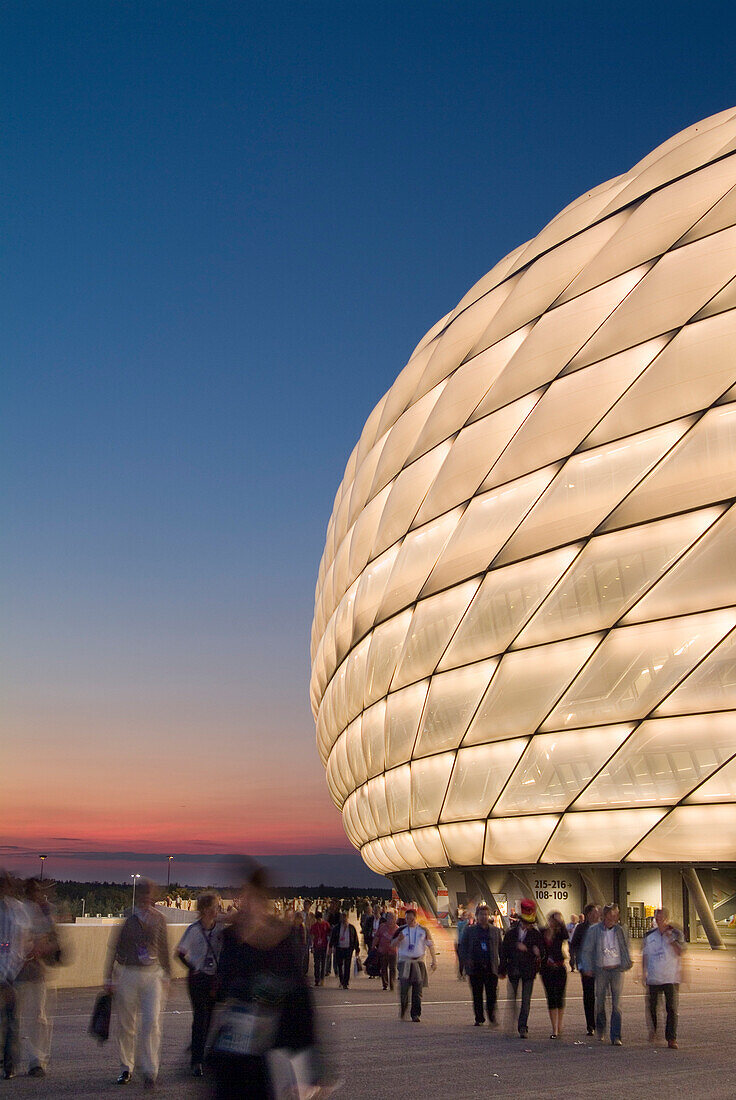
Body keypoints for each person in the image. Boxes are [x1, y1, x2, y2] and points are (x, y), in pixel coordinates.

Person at [211, 864, 325, 1099]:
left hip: (267, 1052)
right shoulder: (233, 939)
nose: (247, 904)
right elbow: (223, 988)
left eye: (253, 898)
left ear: (263, 900)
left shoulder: (282, 942)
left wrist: (310, 1066)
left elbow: (301, 1003)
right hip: (233, 1050)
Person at [104, 879, 171, 1087]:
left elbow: (164, 948)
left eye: (149, 892)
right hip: (128, 973)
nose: (145, 896)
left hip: (152, 974)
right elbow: (114, 948)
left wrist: (168, 975)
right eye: (142, 892)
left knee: (152, 1022)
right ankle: (126, 1068)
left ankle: (150, 1069)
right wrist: (108, 976)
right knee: (126, 1024)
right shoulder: (128, 917)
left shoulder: (160, 919)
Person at [175, 891, 223, 1077]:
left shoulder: (219, 930)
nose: (216, 912)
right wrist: (192, 967)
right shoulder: (194, 930)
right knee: (201, 1017)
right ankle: (196, 1060)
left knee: (210, 1018)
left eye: (217, 908)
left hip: (213, 978)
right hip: (198, 978)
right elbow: (180, 952)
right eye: (213, 908)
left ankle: (199, 1049)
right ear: (204, 910)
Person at [16, 878, 61, 1078]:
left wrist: (40, 950)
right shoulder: (17, 910)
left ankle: (37, 1060)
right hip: (15, 970)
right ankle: (11, 1059)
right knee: (13, 1017)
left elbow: (54, 941)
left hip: (36, 971)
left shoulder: (46, 911)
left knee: (38, 1017)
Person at [578, 903, 632, 1046]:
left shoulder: (621, 930)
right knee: (600, 1001)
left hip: (617, 970)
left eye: (616, 914)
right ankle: (601, 1028)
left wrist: (627, 962)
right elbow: (587, 949)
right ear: (605, 915)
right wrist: (587, 966)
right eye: (612, 914)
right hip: (601, 969)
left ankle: (616, 1036)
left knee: (617, 1004)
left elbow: (626, 947)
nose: (614, 917)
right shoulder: (594, 930)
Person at [0, 872, 30, 1080]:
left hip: (10, 975)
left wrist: (7, 976)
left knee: (11, 1021)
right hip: (8, 975)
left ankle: (9, 1064)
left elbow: (18, 947)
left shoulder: (18, 911)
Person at [641, 907, 685, 1049]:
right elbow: (645, 954)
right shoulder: (649, 935)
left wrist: (670, 939)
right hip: (654, 976)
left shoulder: (676, 933)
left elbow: (680, 952)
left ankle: (671, 1038)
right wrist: (643, 972)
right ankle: (653, 1030)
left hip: (670, 977)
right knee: (652, 1006)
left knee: (671, 1008)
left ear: (666, 918)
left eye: (661, 918)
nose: (659, 920)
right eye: (656, 918)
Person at [499, 898, 543, 1038]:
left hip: (528, 971)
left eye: (531, 924)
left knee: (526, 1000)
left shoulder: (536, 935)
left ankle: (522, 1026)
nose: (529, 926)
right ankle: (511, 1022)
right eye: (527, 923)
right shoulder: (511, 934)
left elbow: (542, 952)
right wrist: (502, 969)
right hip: (513, 969)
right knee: (512, 998)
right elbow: (503, 952)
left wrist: (532, 951)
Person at [458, 904, 501, 1027]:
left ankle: (492, 1016)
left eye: (486, 914)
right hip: (475, 967)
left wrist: (503, 966)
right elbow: (463, 948)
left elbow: (501, 949)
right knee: (477, 994)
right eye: (481, 914)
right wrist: (465, 964)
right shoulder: (469, 930)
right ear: (477, 916)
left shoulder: (495, 931)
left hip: (490, 967)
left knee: (492, 994)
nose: (484, 917)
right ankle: (479, 1017)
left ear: (489, 916)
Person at [393, 908, 437, 1022]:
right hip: (405, 962)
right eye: (407, 918)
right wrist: (398, 939)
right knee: (404, 988)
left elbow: (430, 945)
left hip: (418, 962)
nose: (409, 921)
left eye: (411, 918)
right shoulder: (401, 930)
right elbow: (392, 944)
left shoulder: (423, 930)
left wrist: (434, 960)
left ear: (415, 918)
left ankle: (415, 1014)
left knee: (417, 990)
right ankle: (403, 1008)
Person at [570, 904, 599, 1034]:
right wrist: (579, 963)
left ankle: (600, 1022)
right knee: (589, 995)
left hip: (600, 966)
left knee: (601, 996)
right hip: (586, 967)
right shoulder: (581, 928)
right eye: (594, 912)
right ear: (588, 914)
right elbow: (574, 945)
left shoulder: (602, 927)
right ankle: (591, 1025)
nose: (597, 914)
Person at [540, 911, 568, 1039]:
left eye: (555, 921)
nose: (552, 923)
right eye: (551, 920)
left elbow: (566, 935)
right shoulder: (543, 932)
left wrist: (561, 922)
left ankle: (560, 1024)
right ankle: (554, 1028)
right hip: (546, 969)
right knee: (550, 997)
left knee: (560, 996)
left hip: (559, 967)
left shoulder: (560, 933)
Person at [329, 911, 359, 989]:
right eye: (342, 917)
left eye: (345, 917)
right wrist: (330, 947)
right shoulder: (337, 928)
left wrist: (357, 949)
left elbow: (355, 938)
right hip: (339, 948)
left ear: (347, 917)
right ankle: (341, 979)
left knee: (347, 966)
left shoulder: (351, 928)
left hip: (348, 948)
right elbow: (333, 938)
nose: (344, 918)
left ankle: (346, 982)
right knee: (339, 965)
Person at [372, 911, 398, 992]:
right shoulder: (382, 927)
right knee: (383, 968)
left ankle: (392, 983)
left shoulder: (397, 929)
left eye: (392, 918)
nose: (390, 920)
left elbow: (400, 941)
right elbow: (377, 937)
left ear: (395, 919)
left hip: (393, 952)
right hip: (382, 951)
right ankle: (385, 984)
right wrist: (373, 947)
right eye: (389, 918)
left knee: (392, 968)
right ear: (386, 919)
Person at [310, 911, 330, 987]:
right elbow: (312, 936)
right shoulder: (314, 926)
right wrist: (312, 946)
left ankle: (322, 979)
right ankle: (317, 979)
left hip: (324, 946)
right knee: (317, 963)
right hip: (317, 946)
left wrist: (329, 946)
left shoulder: (326, 924)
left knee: (323, 963)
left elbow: (328, 934)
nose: (319, 920)